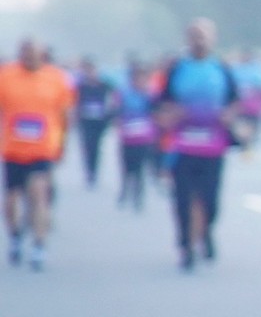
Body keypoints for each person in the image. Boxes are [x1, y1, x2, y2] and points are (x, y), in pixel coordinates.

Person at [156, 20, 238, 270]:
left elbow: (235, 102)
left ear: (213, 39)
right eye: (194, 35)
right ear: (187, 39)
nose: (199, 40)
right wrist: (171, 114)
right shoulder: (177, 69)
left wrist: (229, 115)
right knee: (183, 198)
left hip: (213, 145)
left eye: (204, 36)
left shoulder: (221, 69)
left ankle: (205, 231)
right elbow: (160, 103)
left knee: (210, 201)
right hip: (183, 145)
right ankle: (186, 246)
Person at [0, 38, 76, 270]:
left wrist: (63, 143)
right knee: (11, 199)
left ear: (41, 55)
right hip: (13, 149)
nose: (30, 58)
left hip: (42, 148)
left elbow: (66, 113)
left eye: (34, 54)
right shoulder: (6, 77)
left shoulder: (56, 78)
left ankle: (39, 244)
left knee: (39, 193)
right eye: (26, 54)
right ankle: (15, 236)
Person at [115, 60, 162, 211]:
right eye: (137, 79)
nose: (140, 82)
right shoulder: (124, 95)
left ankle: (138, 198)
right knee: (127, 168)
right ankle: (124, 191)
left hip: (144, 138)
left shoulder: (150, 96)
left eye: (143, 79)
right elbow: (117, 113)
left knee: (140, 169)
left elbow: (157, 114)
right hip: (127, 138)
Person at [72, 57, 116, 190]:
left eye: (92, 71)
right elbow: (75, 102)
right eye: (88, 71)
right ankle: (89, 171)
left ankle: (94, 171)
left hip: (100, 121)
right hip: (86, 121)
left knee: (96, 147)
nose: (91, 74)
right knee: (87, 146)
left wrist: (111, 115)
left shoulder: (105, 85)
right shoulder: (81, 87)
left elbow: (114, 98)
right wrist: (75, 116)